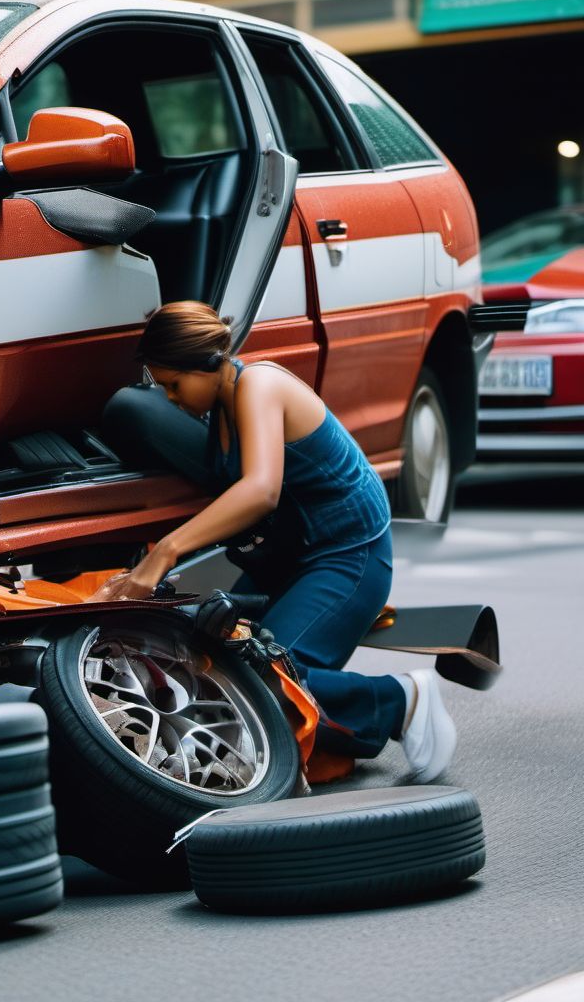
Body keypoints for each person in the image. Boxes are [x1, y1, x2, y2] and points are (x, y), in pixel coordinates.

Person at [91, 300, 456, 782]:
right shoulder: (218, 410)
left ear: (206, 364)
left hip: (349, 556)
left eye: (175, 386)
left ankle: (400, 698)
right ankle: (325, 732)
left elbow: (261, 490)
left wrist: (165, 553)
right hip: (292, 558)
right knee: (221, 669)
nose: (172, 399)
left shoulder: (260, 384)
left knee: (267, 676)